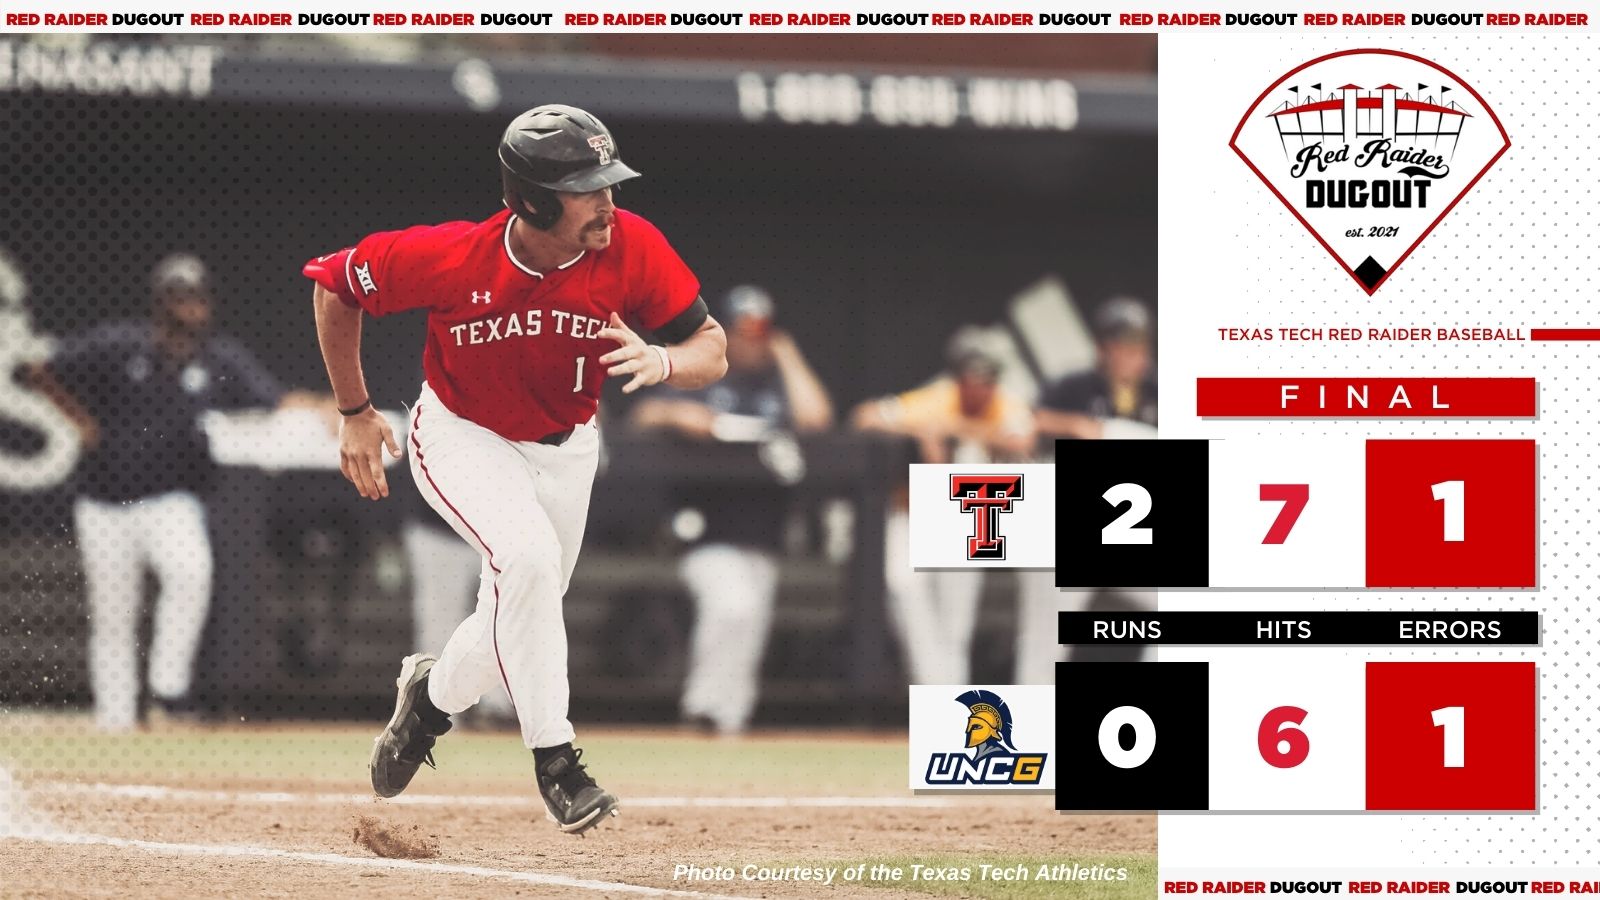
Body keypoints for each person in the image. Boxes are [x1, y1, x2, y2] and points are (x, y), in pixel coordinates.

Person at [306, 104, 727, 835]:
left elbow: (710, 347)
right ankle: (558, 764)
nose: (609, 202)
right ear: (533, 199)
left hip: (567, 448)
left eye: (609, 182)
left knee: (518, 610)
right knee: (526, 562)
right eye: (589, 187)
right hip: (463, 434)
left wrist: (662, 361)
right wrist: (355, 411)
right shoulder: (450, 255)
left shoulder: (632, 246)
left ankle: (429, 701)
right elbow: (337, 285)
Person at [25, 254, 305, 730]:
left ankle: (167, 689)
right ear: (160, 302)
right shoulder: (118, 345)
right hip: (104, 503)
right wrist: (80, 420)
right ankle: (115, 719)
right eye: (180, 298)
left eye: (197, 298)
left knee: (190, 572)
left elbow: (275, 400)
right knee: (114, 612)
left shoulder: (220, 359)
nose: (190, 308)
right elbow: (38, 369)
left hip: (171, 500)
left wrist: (331, 408)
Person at [630, 286, 834, 736]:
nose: (751, 342)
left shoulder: (778, 384)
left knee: (749, 626)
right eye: (743, 332)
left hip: (763, 534)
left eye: (761, 333)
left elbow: (817, 420)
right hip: (705, 531)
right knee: (733, 608)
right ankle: (703, 707)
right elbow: (643, 415)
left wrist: (786, 353)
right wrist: (675, 416)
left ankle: (728, 720)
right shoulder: (706, 374)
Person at [852, 328, 1035, 685]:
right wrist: (920, 429)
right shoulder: (937, 398)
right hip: (916, 514)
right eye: (972, 377)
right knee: (901, 585)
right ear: (958, 376)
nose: (979, 386)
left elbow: (1022, 438)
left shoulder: (1005, 403)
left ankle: (943, 700)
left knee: (955, 626)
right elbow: (864, 416)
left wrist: (953, 430)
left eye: (987, 377)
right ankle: (938, 687)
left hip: (971, 520)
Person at [1017, 297, 1158, 683]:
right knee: (1046, 639)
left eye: (1138, 345)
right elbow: (1024, 424)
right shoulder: (1072, 387)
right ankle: (1032, 731)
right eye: (1121, 344)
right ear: (1101, 348)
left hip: (1131, 532)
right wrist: (1076, 425)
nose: (1131, 354)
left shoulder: (1158, 394)